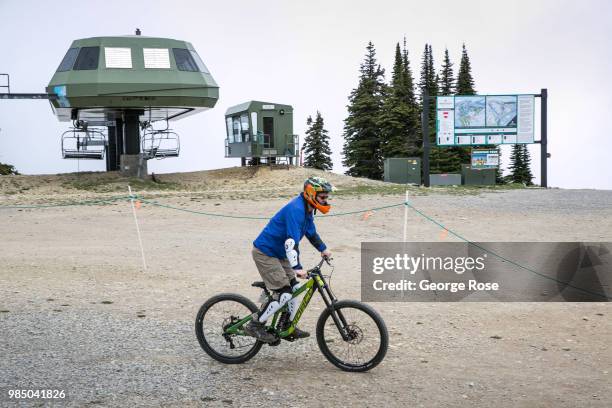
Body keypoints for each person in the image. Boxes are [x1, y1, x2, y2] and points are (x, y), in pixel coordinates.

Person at [245, 176, 333, 343]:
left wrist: (323, 249)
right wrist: (298, 267)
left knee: (295, 289)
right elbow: (290, 242)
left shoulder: (307, 210)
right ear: (311, 194)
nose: (325, 200)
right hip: (265, 253)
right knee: (284, 293)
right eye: (323, 197)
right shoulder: (297, 210)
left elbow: (311, 233)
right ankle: (255, 325)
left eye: (326, 197)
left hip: (279, 254)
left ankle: (286, 327)